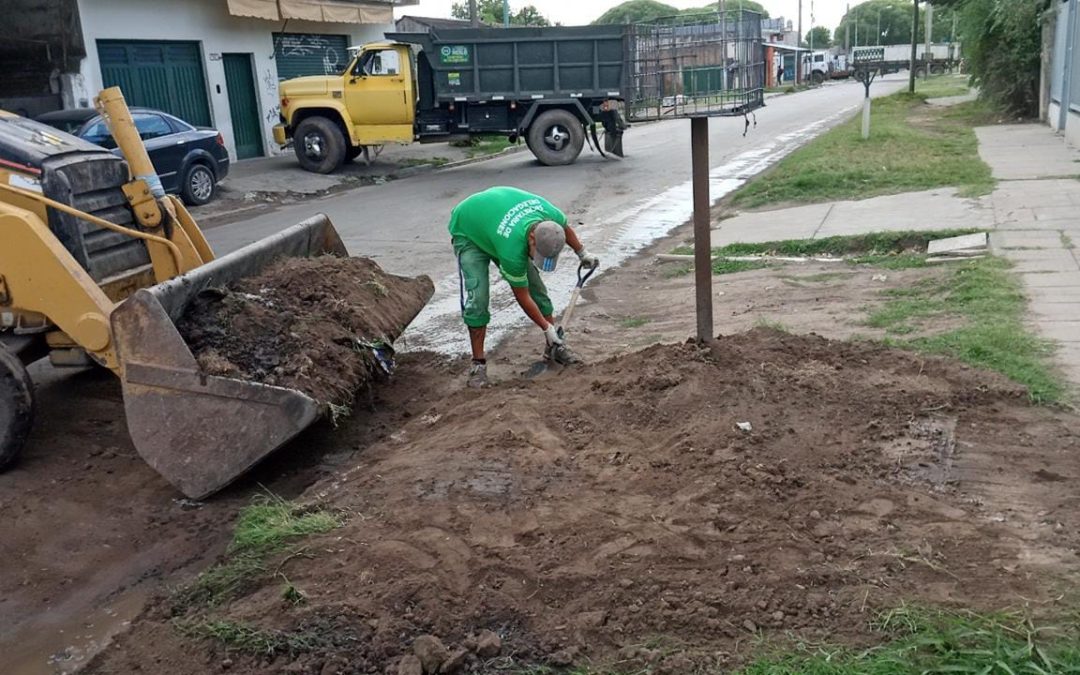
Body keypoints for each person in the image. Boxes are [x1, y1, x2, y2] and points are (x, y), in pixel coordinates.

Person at [448, 186, 599, 388]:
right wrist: (546, 328)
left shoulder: (550, 216)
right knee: (479, 298)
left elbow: (564, 227)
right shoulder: (512, 250)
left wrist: (582, 253)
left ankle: (553, 347)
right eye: (535, 253)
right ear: (531, 239)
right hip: (469, 228)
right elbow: (522, 296)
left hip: (496, 220)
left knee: (540, 293)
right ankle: (478, 365)